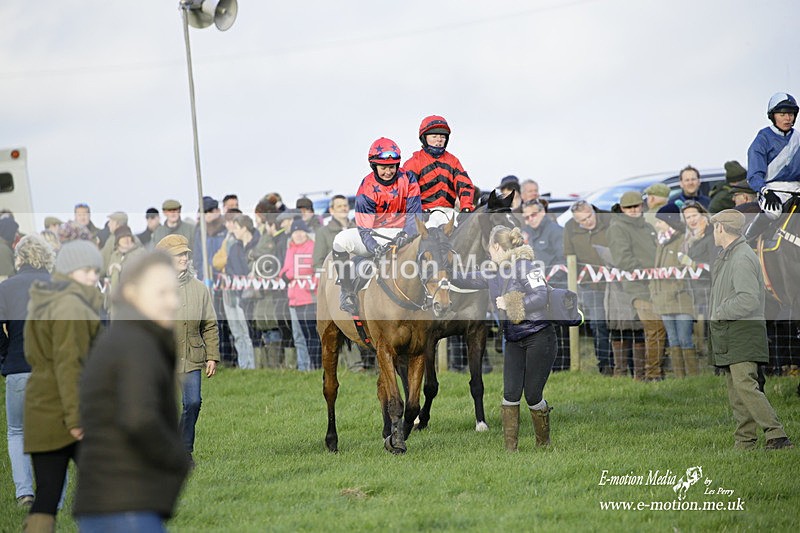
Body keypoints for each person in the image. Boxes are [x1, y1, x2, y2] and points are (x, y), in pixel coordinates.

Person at [73, 253, 191, 532]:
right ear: (130, 292)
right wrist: (179, 458)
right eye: (161, 292)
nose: (172, 301)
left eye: (174, 292)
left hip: (106, 500)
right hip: (126, 504)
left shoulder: (122, 337)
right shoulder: (136, 343)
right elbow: (139, 417)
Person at [451, 226, 558, 451]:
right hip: (513, 339)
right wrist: (444, 269)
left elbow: (542, 295)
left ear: (497, 247)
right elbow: (465, 280)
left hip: (539, 336)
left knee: (532, 394)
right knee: (509, 394)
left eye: (490, 249)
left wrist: (510, 303)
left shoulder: (526, 266)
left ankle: (544, 444)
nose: (489, 254)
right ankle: (511, 450)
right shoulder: (494, 272)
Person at [22, 240, 104, 531]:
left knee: (47, 494)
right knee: (108, 489)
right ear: (69, 271)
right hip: (67, 410)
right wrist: (76, 419)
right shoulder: (72, 306)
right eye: (86, 270)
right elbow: (70, 367)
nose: (94, 277)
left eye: (96, 270)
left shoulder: (46, 298)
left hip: (41, 406)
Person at [708, 209, 793, 450]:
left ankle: (777, 435)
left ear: (721, 228)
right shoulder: (729, 255)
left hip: (741, 333)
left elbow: (747, 299)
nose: (714, 231)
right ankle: (744, 441)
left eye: (715, 227)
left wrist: (720, 312)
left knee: (745, 386)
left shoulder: (741, 257)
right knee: (737, 390)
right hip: (732, 333)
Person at [331, 137, 422, 314]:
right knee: (339, 241)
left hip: (404, 234)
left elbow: (414, 215)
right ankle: (347, 290)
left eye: (392, 167)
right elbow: (364, 230)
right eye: (383, 167)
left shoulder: (408, 179)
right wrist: (374, 248)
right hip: (375, 236)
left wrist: (406, 234)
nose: (388, 171)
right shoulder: (366, 186)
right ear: (374, 166)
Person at [0, 236, 54, 509]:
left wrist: (4, 355)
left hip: (18, 367)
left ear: (19, 257)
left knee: (17, 432)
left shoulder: (6, 288)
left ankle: (24, 492)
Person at [155, 235, 219, 464]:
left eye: (185, 254)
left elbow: (210, 324)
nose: (184, 258)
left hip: (191, 355)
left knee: (193, 402)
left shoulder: (200, 289)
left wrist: (212, 356)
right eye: (178, 254)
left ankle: (184, 450)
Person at [607, 190, 666, 381]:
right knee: (654, 328)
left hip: (658, 284)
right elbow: (623, 259)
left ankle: (656, 372)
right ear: (622, 208)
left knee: (660, 329)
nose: (633, 210)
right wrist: (646, 273)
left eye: (636, 206)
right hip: (638, 286)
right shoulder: (617, 227)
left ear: (642, 206)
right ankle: (652, 374)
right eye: (628, 207)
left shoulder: (647, 226)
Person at [563, 200, 613, 375]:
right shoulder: (569, 228)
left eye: (589, 216)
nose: (588, 221)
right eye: (582, 220)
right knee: (598, 324)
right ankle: (606, 365)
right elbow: (568, 256)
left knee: (619, 322)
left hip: (615, 281)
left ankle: (625, 364)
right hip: (589, 284)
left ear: (593, 210)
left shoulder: (609, 219)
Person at [745, 92, 800, 242]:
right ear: (773, 116)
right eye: (782, 114)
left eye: (791, 114)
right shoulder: (762, 139)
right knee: (773, 212)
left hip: (797, 189)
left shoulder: (798, 139)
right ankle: (747, 240)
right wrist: (765, 190)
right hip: (772, 190)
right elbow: (754, 175)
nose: (788, 118)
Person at [403, 115, 475, 227]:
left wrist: (466, 207)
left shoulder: (453, 161)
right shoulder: (414, 162)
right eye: (434, 136)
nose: (439, 140)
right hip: (424, 215)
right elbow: (405, 191)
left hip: (448, 213)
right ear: (424, 138)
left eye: (442, 136)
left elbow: (465, 185)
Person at [651, 205, 697, 377]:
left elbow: (684, 270)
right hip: (663, 300)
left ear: (668, 221)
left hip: (681, 300)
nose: (657, 225)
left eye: (660, 221)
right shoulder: (661, 242)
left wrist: (674, 290)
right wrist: (654, 292)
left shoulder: (682, 242)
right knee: (673, 340)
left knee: (685, 340)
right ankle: (680, 378)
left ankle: (693, 378)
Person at [679, 202, 718, 357]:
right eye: (687, 217)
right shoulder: (691, 238)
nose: (691, 220)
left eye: (694, 215)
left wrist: (693, 264)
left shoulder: (711, 236)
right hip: (696, 292)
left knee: (714, 328)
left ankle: (718, 364)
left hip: (709, 290)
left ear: (703, 214)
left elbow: (714, 264)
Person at [280, 218, 320, 370]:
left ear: (306, 233)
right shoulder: (290, 248)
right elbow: (283, 272)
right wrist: (291, 273)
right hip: (294, 299)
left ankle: (316, 366)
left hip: (309, 298)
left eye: (301, 231)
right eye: (295, 232)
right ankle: (305, 367)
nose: (298, 235)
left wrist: (290, 274)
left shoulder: (312, 246)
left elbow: (305, 269)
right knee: (301, 336)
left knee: (312, 336)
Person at [224, 214, 258, 370]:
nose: (234, 230)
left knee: (247, 332)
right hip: (235, 293)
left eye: (236, 227)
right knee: (237, 331)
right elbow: (228, 267)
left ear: (244, 228)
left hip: (252, 295)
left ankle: (252, 366)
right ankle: (243, 364)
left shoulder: (257, 244)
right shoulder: (234, 247)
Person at [106, 225, 146, 316]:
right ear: (117, 240)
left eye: (128, 236)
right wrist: (110, 271)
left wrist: (122, 269)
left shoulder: (140, 253)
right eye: (123, 237)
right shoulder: (115, 255)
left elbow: (144, 272)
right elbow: (108, 275)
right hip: (116, 300)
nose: (126, 240)